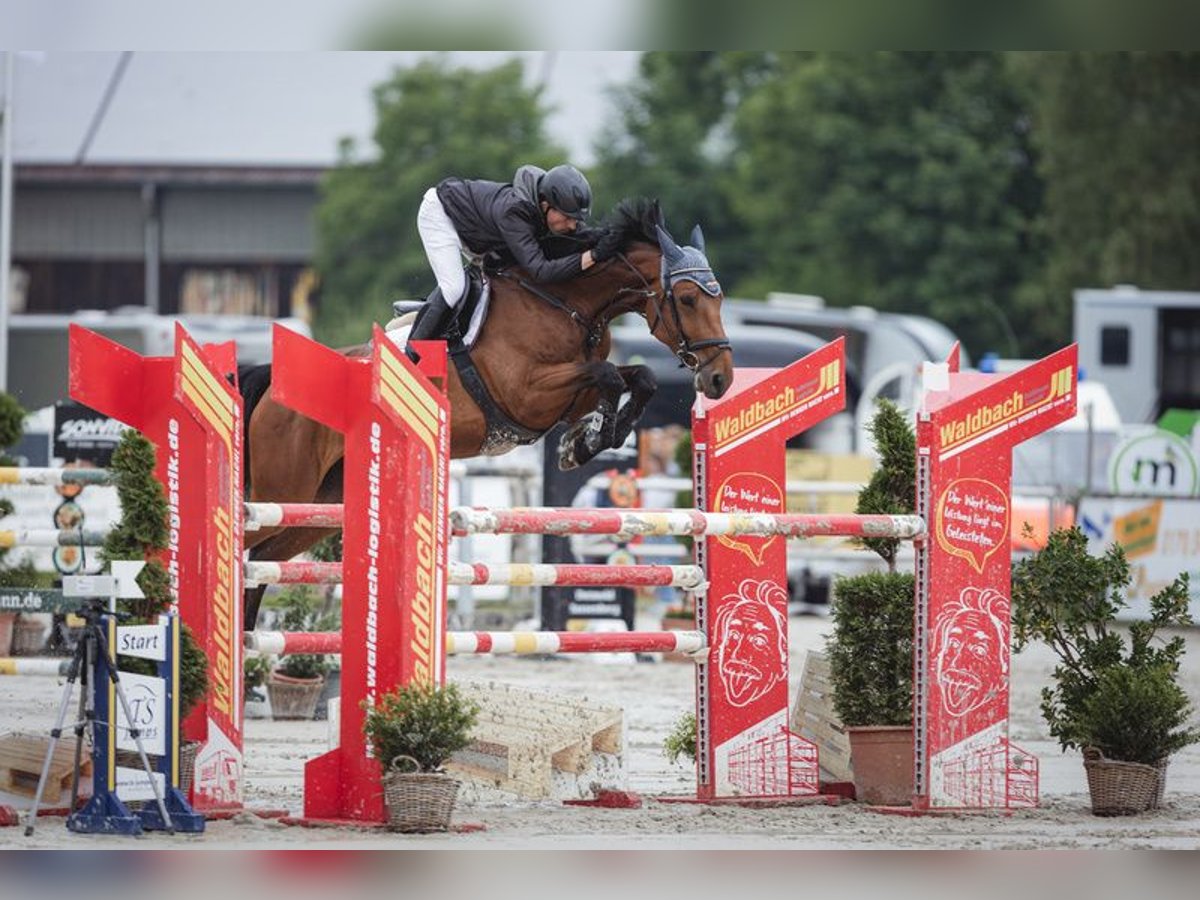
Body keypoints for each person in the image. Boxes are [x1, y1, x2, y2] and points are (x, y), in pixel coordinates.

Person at [408, 163, 623, 342]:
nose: (572, 225)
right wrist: (593, 256)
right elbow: (541, 271)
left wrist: (608, 237)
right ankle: (410, 353)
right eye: (567, 217)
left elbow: (580, 237)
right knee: (454, 288)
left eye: (576, 219)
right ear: (546, 204)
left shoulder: (542, 207)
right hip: (442, 215)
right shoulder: (514, 213)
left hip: (478, 234)